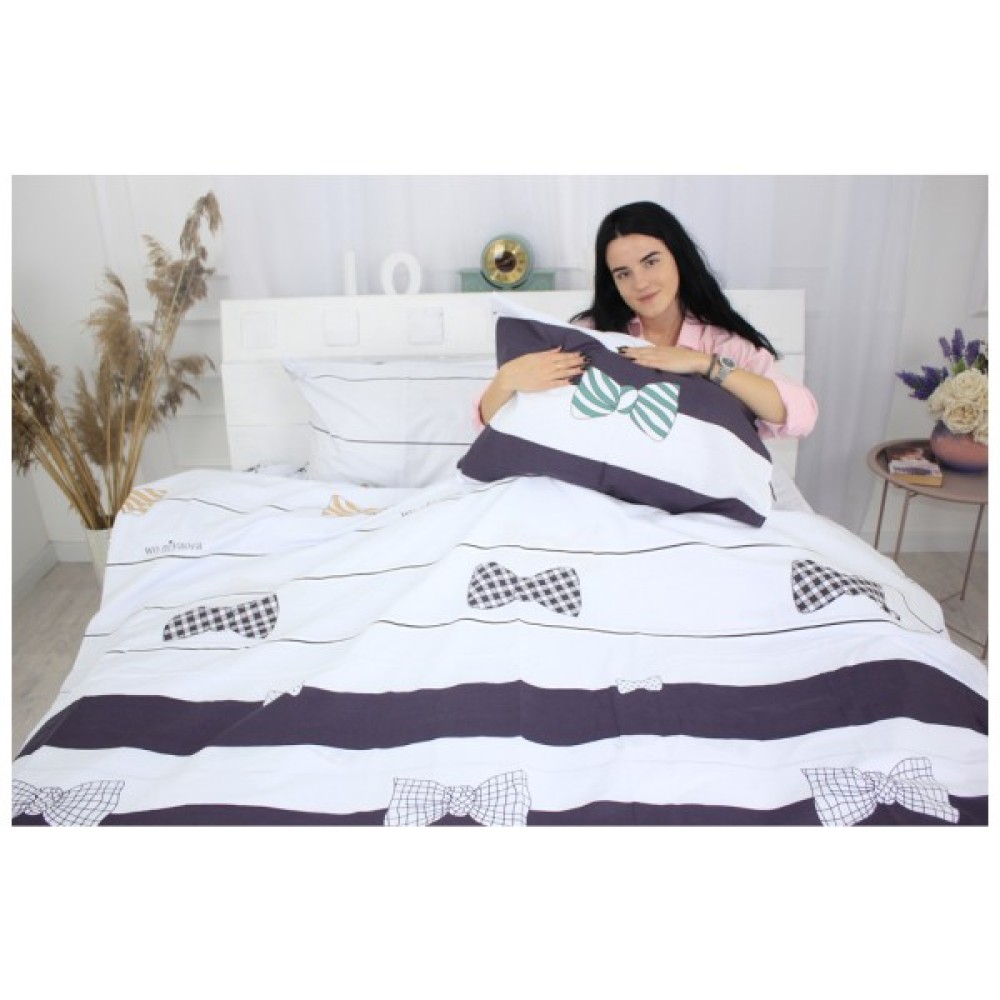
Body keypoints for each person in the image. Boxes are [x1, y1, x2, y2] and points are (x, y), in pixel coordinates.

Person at [477, 201, 817, 440]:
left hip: (699, 494)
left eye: (651, 262)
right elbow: (492, 422)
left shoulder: (724, 345)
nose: (640, 283)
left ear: (678, 258)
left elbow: (800, 415)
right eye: (623, 273)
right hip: (607, 490)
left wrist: (703, 364)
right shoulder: (591, 336)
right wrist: (505, 381)